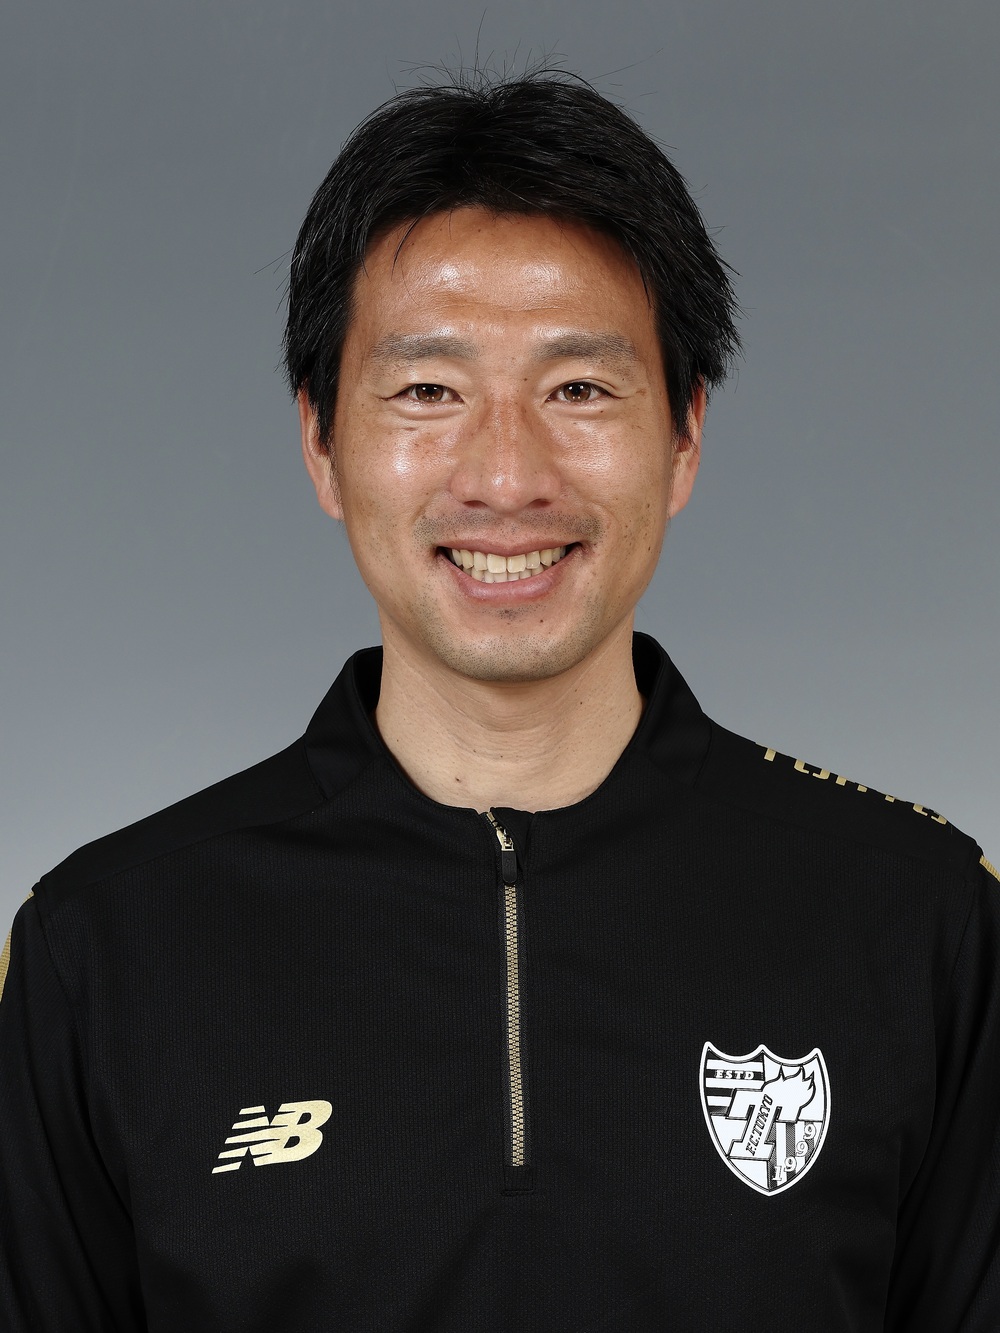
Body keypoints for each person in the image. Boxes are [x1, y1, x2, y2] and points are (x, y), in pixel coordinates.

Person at [1, 68, 997, 1332]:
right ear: (321, 443)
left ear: (684, 435)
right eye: (428, 390)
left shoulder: (918, 918)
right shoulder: (105, 948)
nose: (507, 474)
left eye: (579, 388)